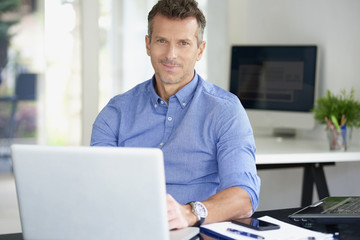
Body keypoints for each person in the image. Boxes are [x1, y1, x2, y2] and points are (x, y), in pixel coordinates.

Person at [91, 0, 260, 230]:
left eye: (183, 43)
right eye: (162, 41)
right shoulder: (116, 112)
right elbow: (96, 188)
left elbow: (244, 197)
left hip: (197, 232)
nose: (171, 54)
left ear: (199, 50)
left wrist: (190, 213)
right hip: (128, 230)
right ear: (148, 44)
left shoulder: (225, 111)